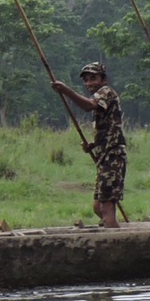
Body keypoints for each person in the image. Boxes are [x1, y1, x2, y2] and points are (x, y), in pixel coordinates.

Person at [51, 61, 126, 227]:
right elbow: (108, 127)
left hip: (113, 156)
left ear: (103, 79)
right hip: (104, 157)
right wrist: (93, 144)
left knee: (106, 208)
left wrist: (66, 90)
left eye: (93, 78)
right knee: (98, 207)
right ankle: (113, 230)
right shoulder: (99, 95)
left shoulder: (106, 92)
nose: (89, 83)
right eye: (86, 80)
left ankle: (114, 239)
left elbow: (88, 106)